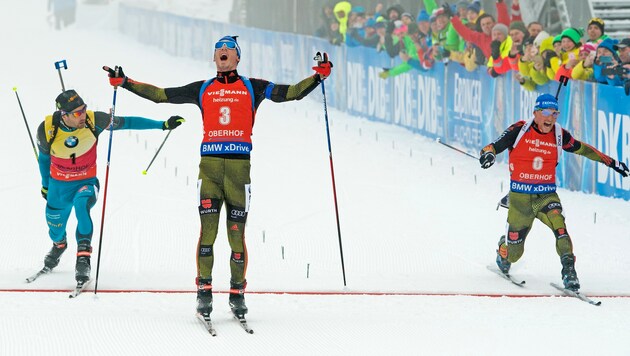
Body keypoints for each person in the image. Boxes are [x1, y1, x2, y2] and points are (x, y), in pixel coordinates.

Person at [103, 35, 333, 318]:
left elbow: (292, 92)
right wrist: (126, 83)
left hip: (239, 172)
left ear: (238, 57)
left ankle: (237, 293)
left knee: (236, 237)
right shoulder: (202, 88)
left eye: (229, 49)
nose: (223, 52)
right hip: (209, 170)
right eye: (218, 49)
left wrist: (317, 77)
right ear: (213, 58)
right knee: (208, 234)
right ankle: (204, 291)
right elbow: (161, 95)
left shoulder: (253, 87)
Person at [479, 93, 629, 291]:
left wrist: (611, 162)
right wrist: (488, 155)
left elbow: (582, 149)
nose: (550, 118)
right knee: (514, 254)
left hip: (546, 195)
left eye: (555, 113)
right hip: (521, 199)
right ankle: (504, 248)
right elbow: (492, 146)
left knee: (560, 228)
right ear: (536, 113)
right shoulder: (520, 129)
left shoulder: (559, 134)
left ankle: (569, 272)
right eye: (546, 112)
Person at [36, 89, 184, 285]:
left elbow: (128, 122)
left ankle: (83, 256)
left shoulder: (93, 120)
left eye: (84, 109)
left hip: (85, 182)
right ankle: (59, 244)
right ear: (64, 115)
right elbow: (44, 160)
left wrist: (162, 125)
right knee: (54, 227)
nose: (83, 115)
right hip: (58, 186)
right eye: (77, 113)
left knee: (82, 207)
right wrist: (46, 186)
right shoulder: (48, 128)